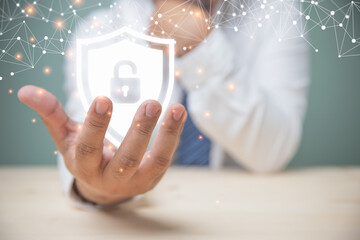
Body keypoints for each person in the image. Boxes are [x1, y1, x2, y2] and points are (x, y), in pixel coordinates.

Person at [18, 0, 309, 209]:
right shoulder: (99, 30)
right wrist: (99, 187)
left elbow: (272, 152)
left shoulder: (277, 14)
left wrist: (201, 48)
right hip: (138, 217)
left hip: (240, 214)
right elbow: (90, 150)